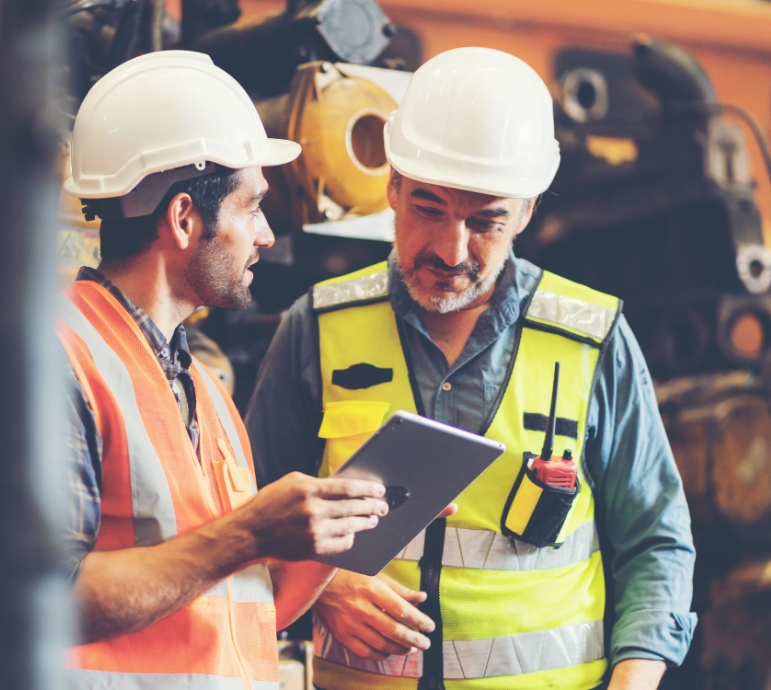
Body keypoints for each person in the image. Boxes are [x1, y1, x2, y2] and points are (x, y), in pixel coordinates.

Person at [246, 47, 696, 690]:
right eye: (428, 207)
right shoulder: (315, 328)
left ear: (528, 211)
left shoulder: (592, 341)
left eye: (485, 220)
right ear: (393, 184)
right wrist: (323, 589)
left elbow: (657, 541)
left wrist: (634, 680)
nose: (450, 251)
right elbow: (244, 519)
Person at [55, 50, 411, 689]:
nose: (267, 236)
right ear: (185, 218)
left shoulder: (206, 393)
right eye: (253, 208)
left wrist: (344, 532)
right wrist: (246, 533)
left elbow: (247, 608)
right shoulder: (60, 354)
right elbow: (45, 601)